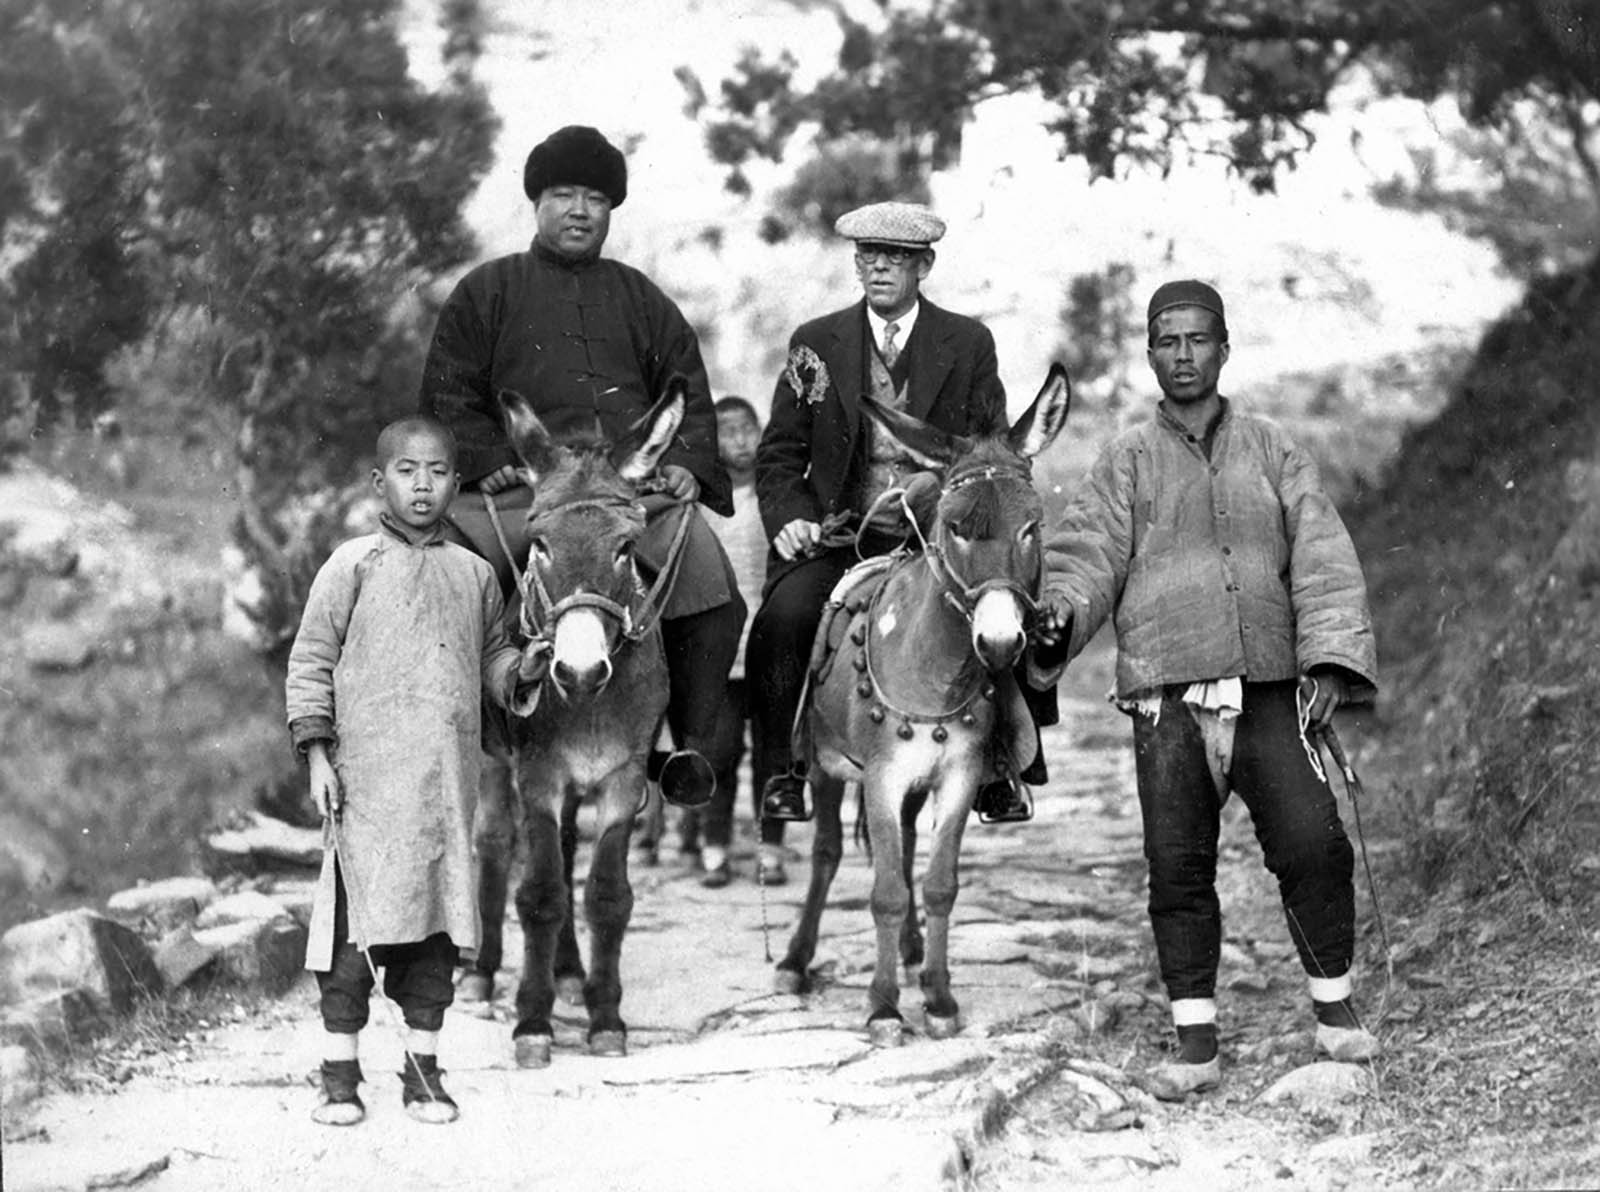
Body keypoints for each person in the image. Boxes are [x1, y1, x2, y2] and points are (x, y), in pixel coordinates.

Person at [1031, 280, 1381, 1100]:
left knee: (1313, 843)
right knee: (1177, 868)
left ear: (1224, 347)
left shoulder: (1272, 448)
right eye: (1166, 341)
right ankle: (1196, 1044)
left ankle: (1335, 1014)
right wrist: (1058, 616)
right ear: (1149, 354)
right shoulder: (1126, 459)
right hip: (1167, 697)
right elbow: (1086, 553)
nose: (1183, 355)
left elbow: (1323, 555)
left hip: (1268, 686)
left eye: (1197, 340)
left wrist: (1327, 660)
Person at [418, 124, 743, 803]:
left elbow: (688, 390)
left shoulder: (643, 300)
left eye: (594, 197)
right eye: (563, 194)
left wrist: (683, 462)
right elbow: (447, 393)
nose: (578, 210)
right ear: (536, 202)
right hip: (517, 490)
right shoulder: (487, 291)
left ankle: (676, 747)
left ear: (611, 209)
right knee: (442, 589)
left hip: (626, 492)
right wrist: (485, 460)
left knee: (715, 592)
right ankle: (450, 743)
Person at [749, 200, 1051, 827]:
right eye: (869, 257)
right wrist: (790, 517)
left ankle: (1003, 765)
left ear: (924, 266)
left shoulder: (968, 343)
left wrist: (950, 505)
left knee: (999, 613)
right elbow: (781, 450)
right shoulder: (816, 343)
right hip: (840, 536)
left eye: (896, 258)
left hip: (936, 542)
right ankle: (785, 770)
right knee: (785, 618)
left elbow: (991, 448)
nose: (879, 268)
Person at [285, 416, 539, 1125]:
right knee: (353, 931)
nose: (421, 485)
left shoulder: (476, 573)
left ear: (457, 485)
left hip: (442, 787)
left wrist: (523, 668)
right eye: (406, 470)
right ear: (380, 481)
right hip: (365, 785)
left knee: (433, 928)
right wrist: (317, 757)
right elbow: (309, 664)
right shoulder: (351, 565)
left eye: (436, 472)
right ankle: (340, 1077)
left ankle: (423, 1074)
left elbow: (491, 661)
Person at [685, 396, 789, 886]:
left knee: (773, 753)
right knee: (720, 751)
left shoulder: (778, 495)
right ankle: (715, 846)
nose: (740, 440)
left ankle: (770, 850)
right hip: (720, 653)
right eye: (727, 432)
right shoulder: (700, 504)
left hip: (769, 648)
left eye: (747, 429)